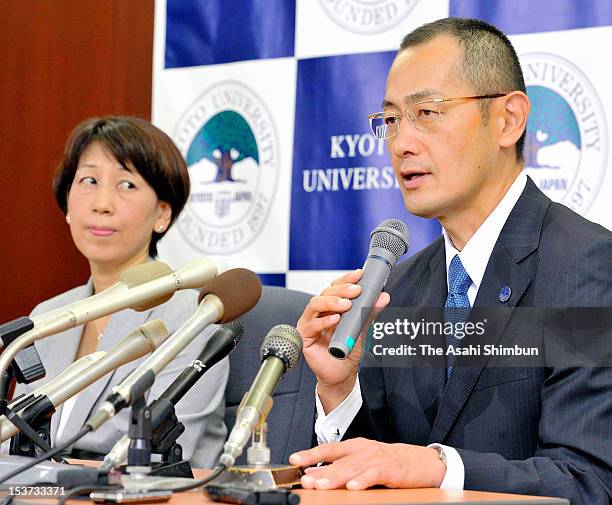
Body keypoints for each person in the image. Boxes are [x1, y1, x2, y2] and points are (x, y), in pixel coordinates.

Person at [290, 17, 612, 504]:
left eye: (427, 112)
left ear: (508, 120)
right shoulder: (400, 284)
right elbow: (379, 464)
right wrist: (340, 390)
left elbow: (588, 480)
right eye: (392, 120)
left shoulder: (584, 265)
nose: (401, 143)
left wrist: (439, 466)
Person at [12, 116, 227, 467]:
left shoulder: (193, 316)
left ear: (162, 213)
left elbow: (154, 454)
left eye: (126, 185)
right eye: (89, 180)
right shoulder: (47, 317)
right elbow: (17, 440)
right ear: (67, 203)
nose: (102, 203)